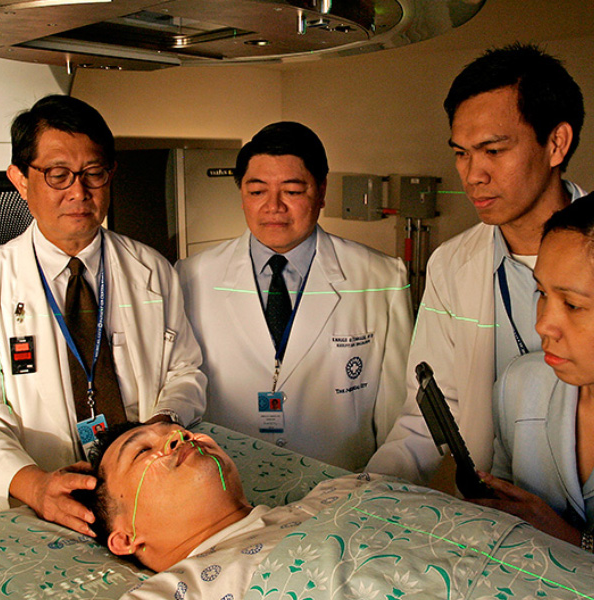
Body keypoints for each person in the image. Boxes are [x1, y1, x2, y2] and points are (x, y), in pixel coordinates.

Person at [367, 42, 587, 483]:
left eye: (493, 150)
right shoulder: (452, 265)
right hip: (498, 512)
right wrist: (363, 492)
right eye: (461, 153)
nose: (472, 175)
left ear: (556, 143)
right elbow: (426, 417)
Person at [0, 95, 207, 536]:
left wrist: (165, 420)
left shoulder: (152, 269)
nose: (79, 192)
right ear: (19, 178)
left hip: (151, 496)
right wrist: (33, 486)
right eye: (58, 175)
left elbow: (186, 369)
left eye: (94, 173)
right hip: (38, 508)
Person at [176, 121, 413, 471]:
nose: (274, 207)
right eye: (257, 192)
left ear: (321, 191)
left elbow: (400, 409)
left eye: (292, 191)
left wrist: (377, 490)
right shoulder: (190, 276)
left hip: (341, 489)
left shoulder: (381, 277)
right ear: (241, 194)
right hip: (229, 486)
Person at [79, 421, 371, 597]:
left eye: (181, 431)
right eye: (142, 451)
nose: (179, 438)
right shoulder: (171, 594)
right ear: (126, 538)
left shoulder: (343, 491)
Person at [473, 195, 594, 552]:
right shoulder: (520, 384)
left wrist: (573, 541)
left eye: (573, 305)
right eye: (541, 293)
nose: (542, 324)